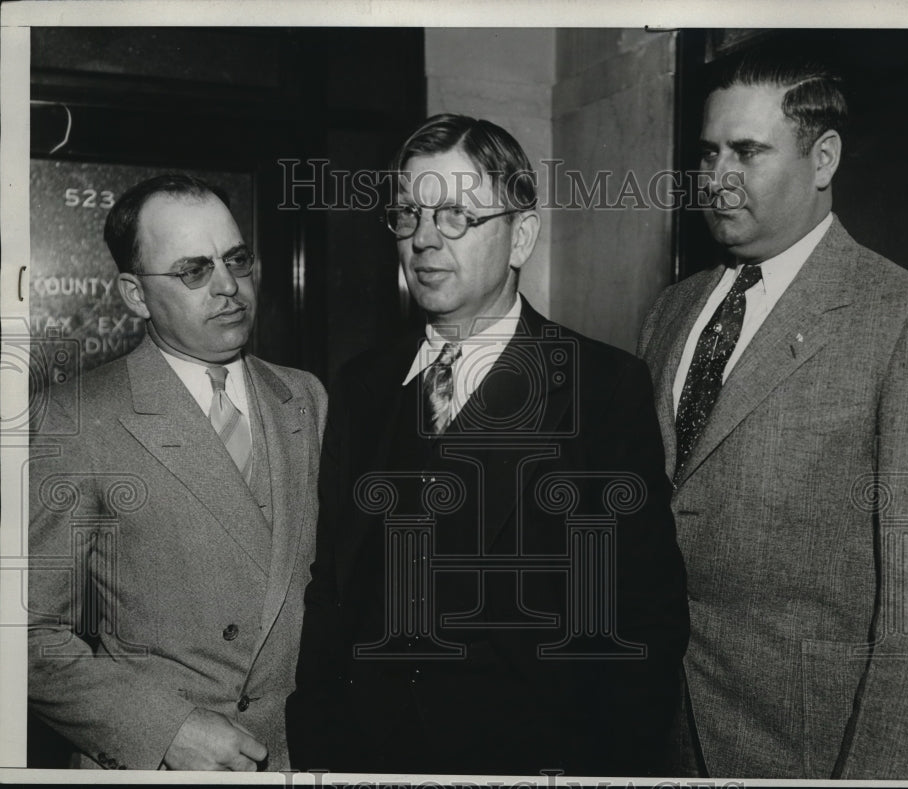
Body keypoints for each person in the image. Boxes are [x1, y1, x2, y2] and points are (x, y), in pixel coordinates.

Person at [287, 114, 689, 776]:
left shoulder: (600, 388)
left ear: (520, 236)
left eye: (455, 216)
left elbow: (642, 622)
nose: (423, 239)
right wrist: (319, 746)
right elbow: (331, 590)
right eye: (409, 214)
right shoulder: (363, 385)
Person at [638, 49, 908, 780]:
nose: (718, 177)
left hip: (804, 751)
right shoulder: (671, 311)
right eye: (709, 152)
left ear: (823, 159)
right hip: (658, 737)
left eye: (747, 152)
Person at [28, 173, 327, 771]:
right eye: (193, 270)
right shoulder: (77, 419)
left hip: (301, 757)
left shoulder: (304, 398)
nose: (228, 286)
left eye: (236, 259)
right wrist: (165, 730)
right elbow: (25, 631)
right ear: (136, 295)